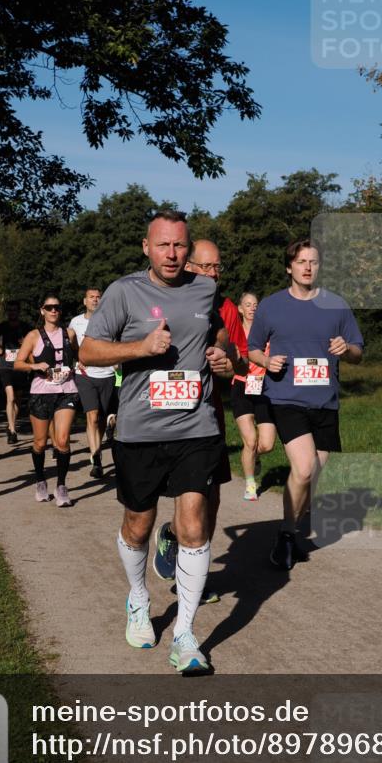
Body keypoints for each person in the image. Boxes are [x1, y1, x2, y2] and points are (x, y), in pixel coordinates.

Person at [80, 211, 229, 673]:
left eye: (180, 246)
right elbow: (88, 352)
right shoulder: (124, 292)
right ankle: (139, 599)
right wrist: (139, 348)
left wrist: (225, 355)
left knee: (193, 524)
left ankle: (185, 633)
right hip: (141, 428)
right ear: (146, 246)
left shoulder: (205, 289)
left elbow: (218, 333)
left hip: (196, 425)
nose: (172, 254)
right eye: (163, 245)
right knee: (138, 526)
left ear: (189, 249)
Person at [248, 240, 364, 570]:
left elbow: (357, 352)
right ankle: (285, 536)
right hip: (286, 398)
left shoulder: (337, 305)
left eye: (313, 261)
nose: (308, 267)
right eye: (301, 261)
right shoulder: (271, 306)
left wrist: (347, 349)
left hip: (325, 402)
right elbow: (252, 349)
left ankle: (292, 532)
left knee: (314, 478)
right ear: (290, 267)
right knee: (303, 468)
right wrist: (267, 361)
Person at [152, 239, 243, 603]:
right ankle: (173, 535)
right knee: (183, 498)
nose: (213, 274)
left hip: (208, 413)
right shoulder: (158, 298)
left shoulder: (227, 308)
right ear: (188, 266)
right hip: (161, 414)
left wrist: (228, 361)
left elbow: (239, 357)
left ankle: (192, 572)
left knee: (211, 498)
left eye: (217, 267)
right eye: (205, 267)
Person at [15, 294, 78, 507]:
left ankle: (61, 486)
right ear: (42, 310)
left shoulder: (70, 333)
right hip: (41, 393)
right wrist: (35, 366)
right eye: (49, 307)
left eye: (57, 307)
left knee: (61, 440)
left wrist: (80, 365)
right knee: (40, 443)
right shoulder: (33, 336)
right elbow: (18, 363)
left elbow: (78, 356)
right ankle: (40, 480)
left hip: (67, 391)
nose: (54, 311)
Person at [69, 288, 118, 478]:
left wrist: (115, 361)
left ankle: (99, 446)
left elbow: (115, 343)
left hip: (107, 374)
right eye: (92, 297)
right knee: (93, 416)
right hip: (85, 374)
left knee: (101, 418)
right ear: (84, 301)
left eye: (98, 297)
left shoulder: (111, 320)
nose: (96, 300)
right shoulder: (76, 322)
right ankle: (96, 459)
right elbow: (71, 344)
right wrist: (76, 357)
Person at [232, 291, 277, 501]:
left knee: (266, 444)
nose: (252, 308)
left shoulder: (267, 332)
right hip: (241, 387)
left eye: (255, 304)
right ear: (240, 309)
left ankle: (254, 457)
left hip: (264, 389)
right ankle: (250, 483)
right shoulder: (235, 333)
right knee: (250, 440)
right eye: (248, 305)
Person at [0, 300, 30, 444]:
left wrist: (25, 344)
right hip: (5, 365)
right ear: (7, 312)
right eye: (10, 310)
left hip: (20, 365)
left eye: (15, 310)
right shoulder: (2, 326)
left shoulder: (25, 326)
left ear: (18, 312)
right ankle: (13, 430)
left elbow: (32, 339)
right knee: (10, 397)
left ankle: (10, 424)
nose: (12, 313)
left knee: (18, 399)